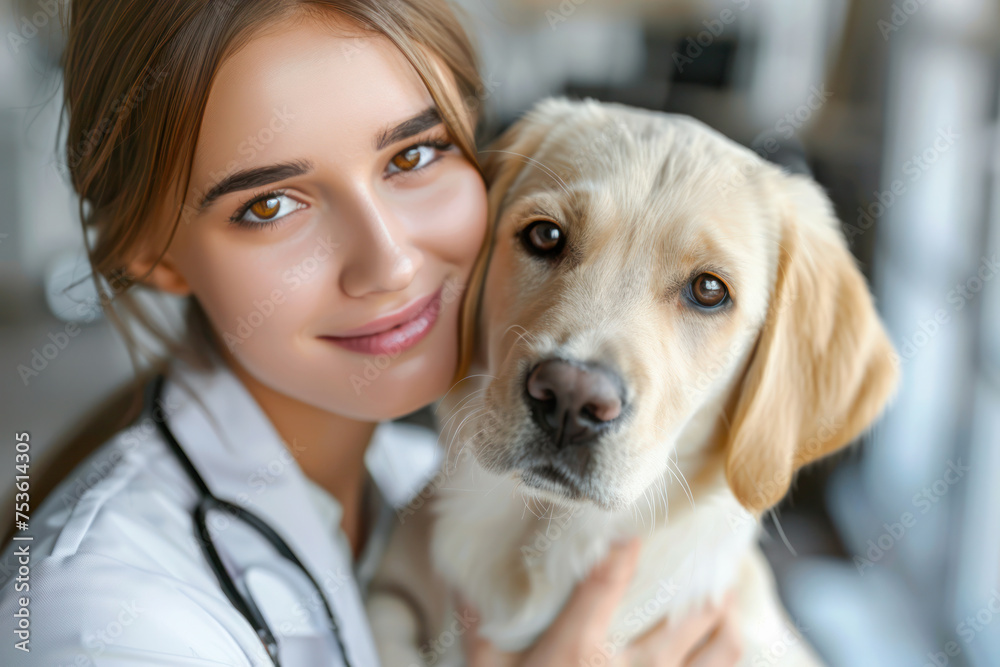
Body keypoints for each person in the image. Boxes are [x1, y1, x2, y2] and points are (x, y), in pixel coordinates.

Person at [0, 1, 743, 665]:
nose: (388, 262)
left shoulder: (420, 477)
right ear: (156, 254)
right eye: (271, 205)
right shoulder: (102, 630)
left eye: (413, 155)